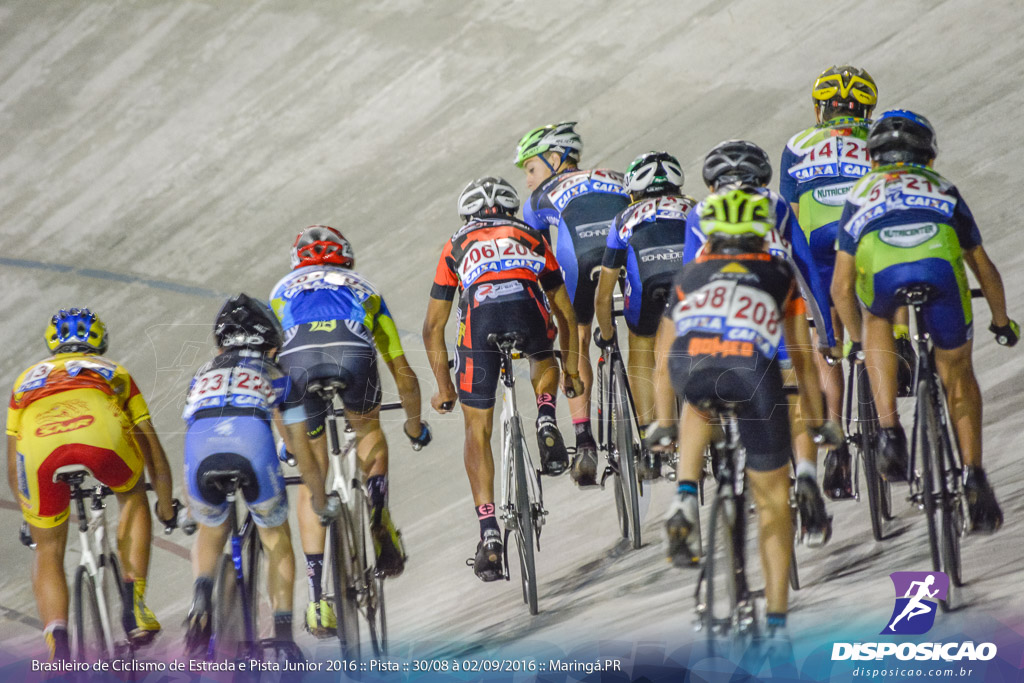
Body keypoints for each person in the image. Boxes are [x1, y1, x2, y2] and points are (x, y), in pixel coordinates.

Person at [647, 187, 840, 638]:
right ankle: (775, 622)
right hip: (751, 373)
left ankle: (684, 499)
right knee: (773, 502)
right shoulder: (776, 274)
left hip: (691, 369)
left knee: (700, 400)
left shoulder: (688, 276)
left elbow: (660, 362)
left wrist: (663, 424)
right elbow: (802, 362)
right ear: (760, 232)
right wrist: (815, 422)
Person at [832, 109, 1017, 533]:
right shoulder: (943, 187)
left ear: (873, 159)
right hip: (940, 275)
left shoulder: (862, 192)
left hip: (885, 278)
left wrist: (858, 343)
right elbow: (983, 267)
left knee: (874, 318)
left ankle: (890, 431)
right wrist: (1002, 323)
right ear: (929, 158)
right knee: (958, 372)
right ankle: (975, 476)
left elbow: (841, 286)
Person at [269, 225, 430, 636]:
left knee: (313, 475)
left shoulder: (281, 291)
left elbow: (270, 378)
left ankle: (317, 599)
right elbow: (404, 373)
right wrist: (414, 427)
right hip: (352, 354)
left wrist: (288, 443)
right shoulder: (365, 289)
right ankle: (378, 512)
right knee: (369, 430)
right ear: (348, 260)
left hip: (299, 359)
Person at [423, 177, 583, 581]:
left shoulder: (456, 243)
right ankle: (546, 415)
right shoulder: (529, 234)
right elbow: (565, 313)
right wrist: (574, 370)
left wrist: (443, 386)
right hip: (527, 310)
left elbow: (432, 327)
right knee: (542, 347)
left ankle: (489, 532)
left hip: (480, 321)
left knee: (477, 430)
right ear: (509, 210)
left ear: (467, 215)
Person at [683, 140, 836, 545]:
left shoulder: (700, 212)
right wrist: (828, 335)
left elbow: (687, 279)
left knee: (710, 390)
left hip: (722, 317)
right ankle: (805, 476)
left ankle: (718, 463)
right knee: (797, 384)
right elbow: (806, 272)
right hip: (776, 298)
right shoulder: (777, 206)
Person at [6, 308, 176, 661]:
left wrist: (29, 512)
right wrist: (163, 503)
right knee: (132, 494)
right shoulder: (115, 371)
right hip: (99, 435)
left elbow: (13, 461)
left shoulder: (24, 380)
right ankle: (135, 609)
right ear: (99, 342)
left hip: (39, 449)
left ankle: (58, 642)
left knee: (47, 549)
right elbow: (151, 445)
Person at [181, 294, 337, 658]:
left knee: (213, 527)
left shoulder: (200, 376)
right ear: (271, 349)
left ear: (220, 346)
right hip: (251, 445)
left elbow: (193, 428)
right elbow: (302, 450)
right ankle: (283, 638)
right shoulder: (280, 377)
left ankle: (201, 598)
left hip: (200, 450)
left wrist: (191, 511)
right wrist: (317, 497)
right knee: (275, 536)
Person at [779, 65, 887, 500]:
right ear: (866, 108)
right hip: (863, 236)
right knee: (879, 314)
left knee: (828, 345)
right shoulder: (880, 137)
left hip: (817, 243)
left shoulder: (797, 144)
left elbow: (786, 212)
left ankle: (837, 442)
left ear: (821, 109)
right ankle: (890, 415)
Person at [515, 122, 631, 486]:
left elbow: (541, 264)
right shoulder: (615, 175)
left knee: (576, 333)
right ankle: (660, 428)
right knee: (652, 329)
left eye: (531, 169)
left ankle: (584, 444)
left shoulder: (537, 199)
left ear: (554, 159)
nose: (529, 180)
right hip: (626, 256)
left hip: (579, 258)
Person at [594, 151, 697, 479]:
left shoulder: (624, 217)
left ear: (633, 192)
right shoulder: (694, 206)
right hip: (693, 281)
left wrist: (607, 333)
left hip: (649, 285)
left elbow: (604, 290)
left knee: (639, 342)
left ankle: (648, 439)